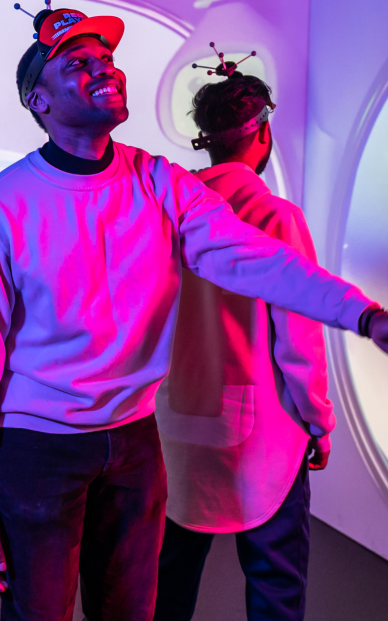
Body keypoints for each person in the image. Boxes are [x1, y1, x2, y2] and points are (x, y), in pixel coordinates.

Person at [0, 3, 388, 621]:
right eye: (78, 64)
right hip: (38, 445)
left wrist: (368, 318)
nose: (104, 71)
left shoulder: (159, 183)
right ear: (39, 101)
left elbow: (259, 260)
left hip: (136, 441)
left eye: (108, 59)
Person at [153, 72, 330, 621]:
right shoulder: (275, 218)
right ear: (262, 131)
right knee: (274, 585)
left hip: (173, 426)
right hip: (264, 436)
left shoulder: (167, 215)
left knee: (165, 585)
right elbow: (299, 336)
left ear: (206, 135)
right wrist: (318, 421)